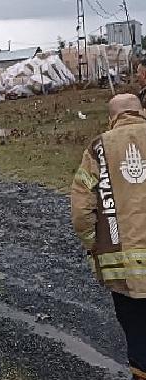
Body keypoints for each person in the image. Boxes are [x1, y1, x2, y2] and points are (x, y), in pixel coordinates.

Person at [71, 94, 146, 380]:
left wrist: (95, 243)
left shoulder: (98, 148)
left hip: (123, 268)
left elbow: (81, 211)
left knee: (137, 331)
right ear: (140, 111)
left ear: (112, 117)